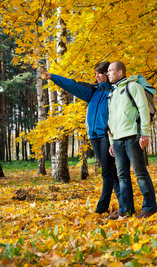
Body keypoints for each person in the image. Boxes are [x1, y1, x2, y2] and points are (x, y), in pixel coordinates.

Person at [42, 62, 121, 214]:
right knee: (111, 171)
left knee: (107, 171)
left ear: (107, 73)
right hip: (93, 136)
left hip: (107, 135)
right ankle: (124, 204)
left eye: (99, 73)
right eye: (95, 73)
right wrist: (53, 77)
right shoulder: (93, 91)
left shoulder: (115, 92)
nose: (96, 76)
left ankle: (101, 208)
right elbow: (72, 85)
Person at [106, 61, 157, 220]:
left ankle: (149, 208)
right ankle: (126, 210)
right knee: (122, 176)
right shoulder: (112, 94)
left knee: (140, 173)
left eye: (110, 71)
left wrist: (145, 134)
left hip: (133, 137)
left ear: (120, 72)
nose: (108, 73)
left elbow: (143, 109)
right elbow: (111, 119)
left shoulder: (133, 87)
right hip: (118, 140)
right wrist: (111, 141)